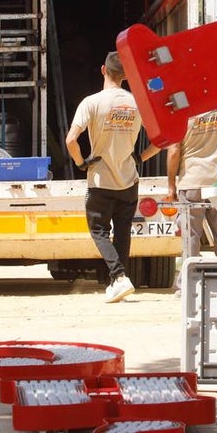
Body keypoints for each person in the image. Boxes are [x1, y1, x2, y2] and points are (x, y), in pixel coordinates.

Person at [66, 51, 159, 303]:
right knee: (122, 232)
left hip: (101, 180)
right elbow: (162, 139)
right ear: (126, 76)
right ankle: (116, 282)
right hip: (129, 179)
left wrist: (80, 163)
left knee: (98, 231)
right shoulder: (137, 103)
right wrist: (140, 157)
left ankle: (118, 277)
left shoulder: (91, 102)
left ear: (103, 70)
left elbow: (71, 140)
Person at [166, 108, 217, 264]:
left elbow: (174, 150)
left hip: (192, 181)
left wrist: (171, 184)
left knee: (191, 236)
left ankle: (188, 281)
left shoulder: (182, 113)